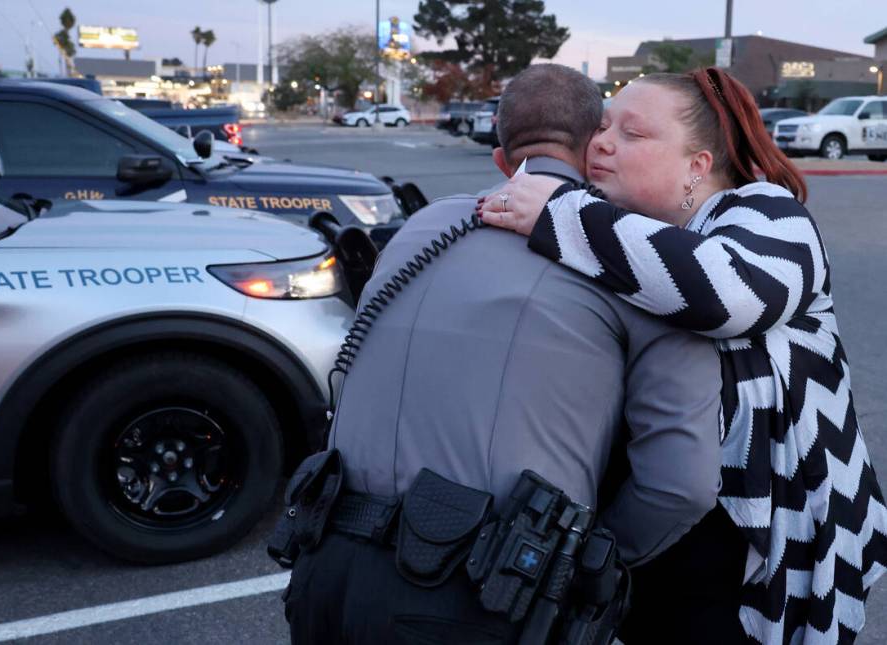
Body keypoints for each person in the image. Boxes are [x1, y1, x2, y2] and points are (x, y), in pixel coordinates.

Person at [282, 64, 724, 644]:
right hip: (482, 595)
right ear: (596, 147)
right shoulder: (637, 259)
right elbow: (680, 485)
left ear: (500, 152)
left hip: (324, 574)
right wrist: (580, 559)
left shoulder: (424, 227)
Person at [478, 67, 887, 645]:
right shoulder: (623, 237)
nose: (601, 142)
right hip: (666, 547)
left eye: (633, 134)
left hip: (773, 548)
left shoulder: (768, 215)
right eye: (601, 127)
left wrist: (557, 211)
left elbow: (729, 294)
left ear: (698, 164)